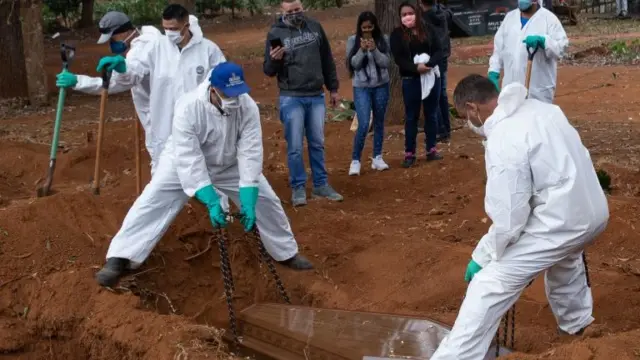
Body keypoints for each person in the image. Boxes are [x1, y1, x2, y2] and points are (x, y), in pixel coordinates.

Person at [430, 74, 609, 359]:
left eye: (466, 116)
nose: (469, 123)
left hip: (563, 219)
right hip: (592, 210)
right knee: (565, 257)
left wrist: (483, 255)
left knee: (489, 284)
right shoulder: (543, 109)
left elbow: (510, 219)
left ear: (473, 107)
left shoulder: (504, 139)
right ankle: (578, 324)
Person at [95, 62, 314, 287]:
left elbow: (250, 151)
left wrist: (248, 197)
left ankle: (285, 252)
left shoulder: (247, 107)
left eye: (237, 93)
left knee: (266, 201)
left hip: (229, 162)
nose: (234, 99)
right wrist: (210, 200)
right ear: (213, 88)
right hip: (181, 161)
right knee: (154, 199)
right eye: (227, 94)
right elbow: (189, 159)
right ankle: (120, 257)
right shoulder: (188, 107)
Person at [55, 11, 198, 175]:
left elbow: (122, 80)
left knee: (165, 171)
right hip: (167, 111)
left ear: (123, 32)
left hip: (162, 118)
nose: (111, 44)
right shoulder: (151, 37)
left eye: (112, 39)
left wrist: (77, 81)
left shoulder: (141, 50)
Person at [263, 0, 343, 207]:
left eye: (298, 10)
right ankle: (298, 187)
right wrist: (275, 59)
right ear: (282, 11)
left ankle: (320, 184)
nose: (295, 14)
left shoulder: (315, 27)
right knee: (296, 146)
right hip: (291, 96)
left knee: (317, 142)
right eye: (290, 11)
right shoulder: (275, 33)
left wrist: (333, 88)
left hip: (316, 95)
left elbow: (327, 58)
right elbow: (269, 70)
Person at [390, 1, 444, 168]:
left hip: (431, 77)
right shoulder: (397, 34)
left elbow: (439, 50)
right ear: (400, 17)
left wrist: (428, 65)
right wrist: (415, 68)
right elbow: (398, 58)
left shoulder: (428, 29)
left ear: (417, 13)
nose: (408, 17)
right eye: (404, 14)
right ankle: (410, 153)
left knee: (431, 114)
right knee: (411, 116)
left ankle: (431, 149)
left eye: (410, 13)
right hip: (410, 80)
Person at [487, 0, 568, 104]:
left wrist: (544, 42)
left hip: (537, 91)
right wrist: (494, 71)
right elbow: (498, 49)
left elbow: (562, 48)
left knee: (536, 119)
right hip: (510, 88)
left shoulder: (549, 19)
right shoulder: (510, 18)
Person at [346, 11, 391, 176]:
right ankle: (355, 160)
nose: (367, 30)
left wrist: (375, 50)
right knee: (364, 123)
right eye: (364, 27)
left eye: (370, 27)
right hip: (361, 87)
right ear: (359, 27)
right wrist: (362, 50)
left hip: (381, 85)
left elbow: (386, 63)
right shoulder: (352, 40)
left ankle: (377, 157)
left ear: (374, 26)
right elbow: (354, 64)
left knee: (379, 121)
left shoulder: (383, 39)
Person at [420, 0, 453, 143]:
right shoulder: (443, 13)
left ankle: (440, 129)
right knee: (442, 94)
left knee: (433, 93)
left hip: (432, 57)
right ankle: (446, 128)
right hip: (443, 55)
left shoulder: (424, 17)